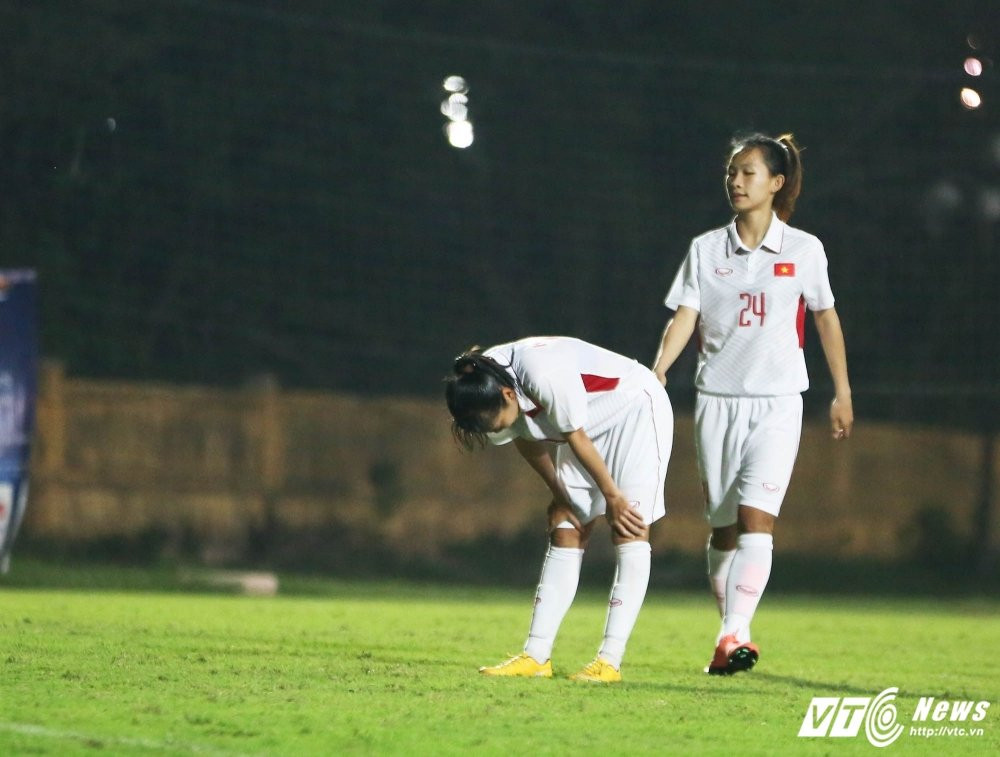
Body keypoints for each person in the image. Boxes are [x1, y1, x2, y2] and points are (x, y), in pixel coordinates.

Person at [651, 133, 853, 675]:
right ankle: (731, 635)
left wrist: (842, 391)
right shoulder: (705, 249)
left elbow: (825, 317)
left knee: (756, 519)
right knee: (722, 530)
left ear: (776, 183)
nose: (736, 183)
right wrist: (659, 370)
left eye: (748, 173)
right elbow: (685, 317)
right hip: (716, 401)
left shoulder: (805, 250)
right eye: (731, 174)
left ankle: (735, 632)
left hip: (779, 402)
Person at [445, 336, 673, 682]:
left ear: (509, 396)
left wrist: (613, 496)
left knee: (629, 527)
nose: (496, 430)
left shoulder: (541, 373)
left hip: (634, 409)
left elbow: (574, 436)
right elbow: (525, 438)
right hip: (580, 429)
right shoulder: (485, 382)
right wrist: (559, 492)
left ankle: (609, 662)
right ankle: (536, 656)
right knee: (565, 526)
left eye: (496, 423)